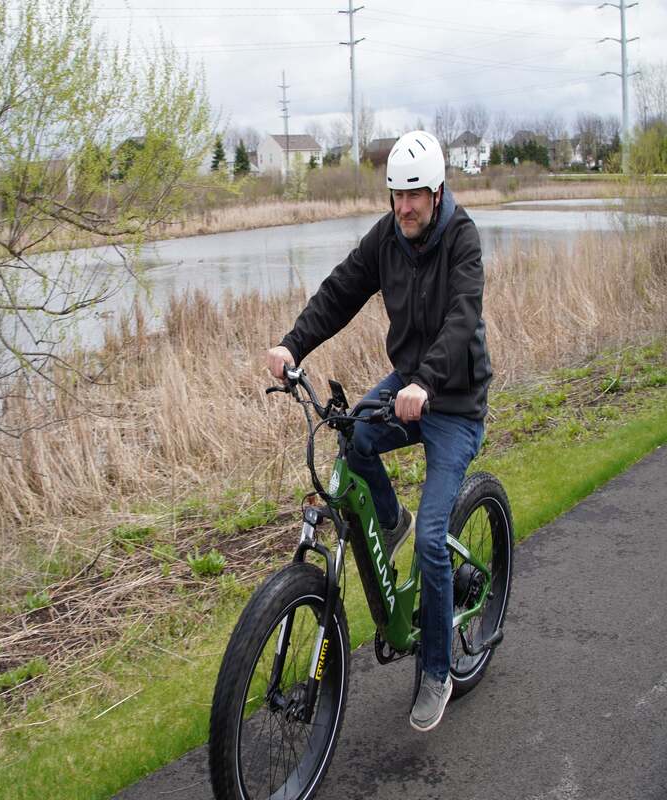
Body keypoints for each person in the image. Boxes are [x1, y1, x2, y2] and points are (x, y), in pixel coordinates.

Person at [266, 130, 491, 733]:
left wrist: (427, 383)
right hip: (409, 384)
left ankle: (439, 671)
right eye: (396, 194)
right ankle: (390, 519)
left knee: (433, 539)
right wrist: (293, 344)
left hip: (456, 401)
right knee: (355, 435)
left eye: (414, 195)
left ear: (437, 191)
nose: (403, 207)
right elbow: (342, 290)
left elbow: (462, 318)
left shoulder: (462, 239)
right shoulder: (387, 236)